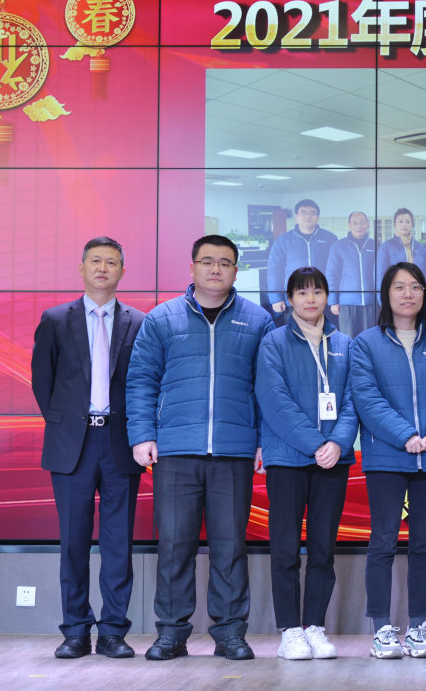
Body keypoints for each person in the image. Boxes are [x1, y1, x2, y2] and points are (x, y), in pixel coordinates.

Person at [127, 234, 274, 661]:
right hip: (175, 450)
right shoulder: (162, 318)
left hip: (234, 451)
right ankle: (171, 633)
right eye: (207, 261)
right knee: (175, 546)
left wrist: (263, 440)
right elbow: (141, 380)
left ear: (236, 271)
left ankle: (230, 633)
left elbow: (267, 388)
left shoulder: (258, 321)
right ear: (191, 267)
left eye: (225, 263)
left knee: (230, 547)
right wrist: (142, 434)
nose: (215, 269)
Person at [31, 237, 146, 660]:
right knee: (73, 542)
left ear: (122, 271)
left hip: (120, 443)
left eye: (111, 262)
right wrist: (68, 425)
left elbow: (144, 382)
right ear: (81, 267)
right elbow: (43, 383)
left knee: (118, 544)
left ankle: (113, 631)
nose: (102, 268)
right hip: (71, 446)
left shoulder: (139, 322)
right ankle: (76, 631)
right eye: (95, 261)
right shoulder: (55, 319)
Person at [350, 262, 426, 659]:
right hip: (386, 457)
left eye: (415, 286)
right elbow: (366, 398)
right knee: (382, 542)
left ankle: (418, 628)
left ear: (424, 294)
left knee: (424, 545)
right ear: (387, 294)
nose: (408, 294)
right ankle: (382, 628)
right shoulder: (366, 344)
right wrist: (406, 436)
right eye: (399, 287)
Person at [255, 267, 358, 661]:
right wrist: (318, 444)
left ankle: (314, 625)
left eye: (317, 292)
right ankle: (289, 631)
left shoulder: (344, 343)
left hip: (333, 460)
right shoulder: (273, 342)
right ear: (290, 299)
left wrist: (338, 443)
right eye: (302, 292)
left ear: (327, 297)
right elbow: (274, 400)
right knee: (285, 548)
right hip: (287, 457)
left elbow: (353, 400)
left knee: (322, 548)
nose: (310, 299)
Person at [267, 199, 338, 318]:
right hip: (294, 296)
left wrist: (335, 299)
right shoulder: (283, 240)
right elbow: (274, 270)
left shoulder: (330, 238)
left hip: (322, 296)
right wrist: (276, 298)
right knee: (295, 329)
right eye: (303, 212)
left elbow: (336, 270)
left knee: (323, 328)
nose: (307, 216)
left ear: (318, 217)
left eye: (312, 213)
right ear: (296, 216)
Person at [326, 211, 378, 338]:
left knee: (369, 338)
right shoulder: (338, 246)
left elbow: (381, 274)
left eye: (362, 222)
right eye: (355, 223)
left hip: (370, 302)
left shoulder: (376, 245)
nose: (359, 226)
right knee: (348, 338)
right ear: (349, 225)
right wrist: (333, 301)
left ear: (367, 224)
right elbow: (332, 274)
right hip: (347, 302)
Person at [377, 207, 426, 280]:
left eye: (408, 222)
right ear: (395, 224)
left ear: (412, 224)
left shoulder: (420, 246)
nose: (404, 225)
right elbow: (380, 274)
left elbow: (424, 272)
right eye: (400, 222)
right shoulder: (386, 247)